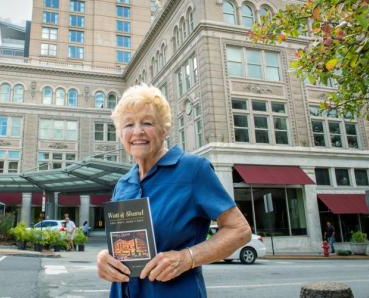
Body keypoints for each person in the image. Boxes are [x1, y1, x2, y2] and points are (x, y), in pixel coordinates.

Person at [96, 84, 252, 297]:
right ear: (120, 134)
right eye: (128, 124)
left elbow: (239, 230)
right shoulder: (123, 183)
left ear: (164, 128)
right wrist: (106, 258)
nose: (137, 131)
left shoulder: (193, 169)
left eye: (147, 123)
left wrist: (187, 257)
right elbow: (123, 246)